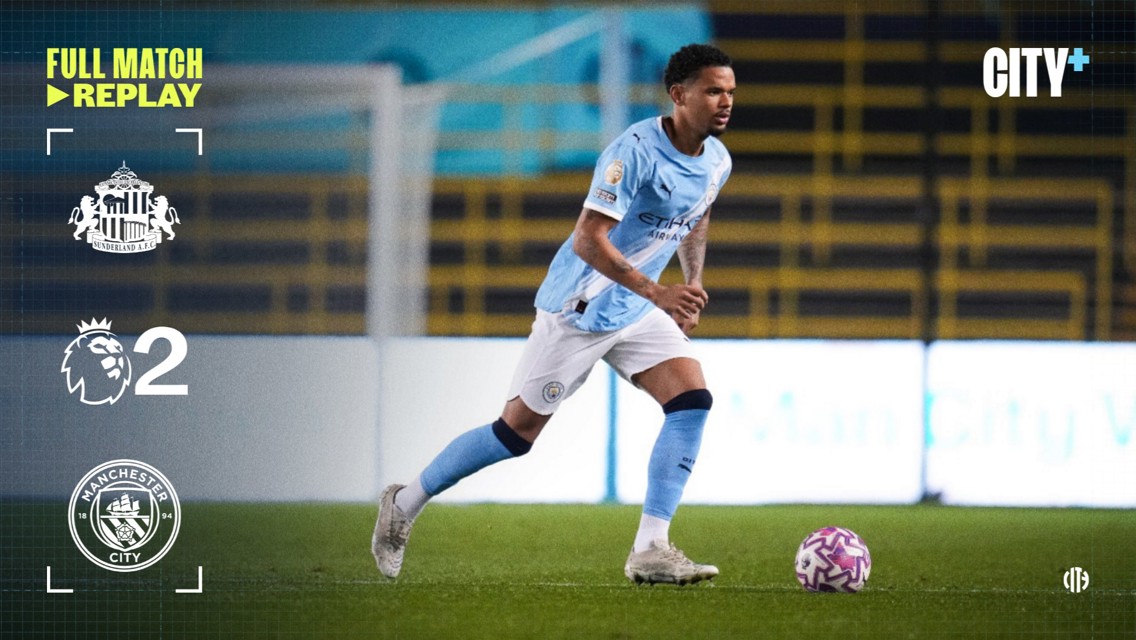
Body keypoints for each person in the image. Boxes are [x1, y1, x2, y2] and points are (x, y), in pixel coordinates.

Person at [373, 43, 734, 585]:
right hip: (579, 307)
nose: (725, 102)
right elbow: (588, 239)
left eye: (730, 92)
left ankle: (651, 548)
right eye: (713, 91)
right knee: (514, 435)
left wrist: (693, 280)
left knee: (691, 402)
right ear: (679, 95)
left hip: (635, 308)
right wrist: (657, 292)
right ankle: (404, 502)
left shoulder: (717, 160)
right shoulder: (633, 152)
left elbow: (696, 214)